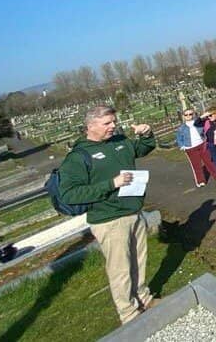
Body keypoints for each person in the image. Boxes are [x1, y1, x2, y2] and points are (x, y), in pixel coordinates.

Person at [58, 106, 156, 324]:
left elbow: (144, 148)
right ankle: (128, 314)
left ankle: (143, 299)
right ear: (90, 126)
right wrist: (111, 184)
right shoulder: (78, 157)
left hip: (133, 211)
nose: (113, 126)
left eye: (114, 121)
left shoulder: (119, 142)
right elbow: (69, 194)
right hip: (109, 220)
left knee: (139, 261)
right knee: (120, 269)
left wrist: (147, 134)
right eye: (107, 123)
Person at [174, 95, 216, 187]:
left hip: (202, 144)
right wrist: (182, 146)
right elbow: (179, 138)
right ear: (183, 116)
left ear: (193, 114)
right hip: (190, 147)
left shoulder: (197, 123)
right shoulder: (181, 128)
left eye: (190, 114)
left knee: (209, 161)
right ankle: (200, 181)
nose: (188, 116)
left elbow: (205, 128)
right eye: (186, 115)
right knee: (196, 165)